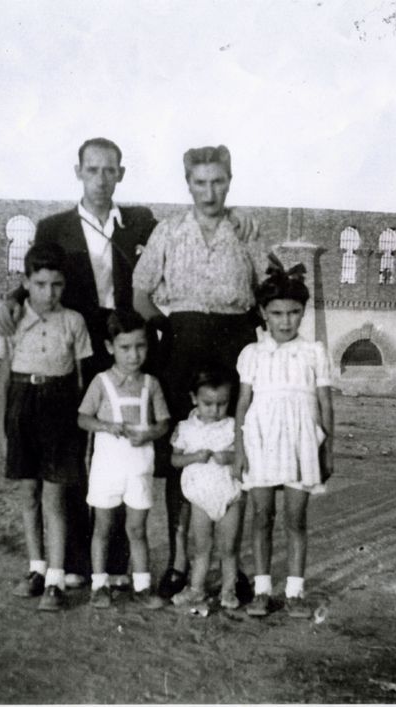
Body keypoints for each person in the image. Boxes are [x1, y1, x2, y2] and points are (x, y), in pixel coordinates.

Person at [0, 137, 158, 589]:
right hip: (75, 341)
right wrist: (10, 301)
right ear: (78, 172)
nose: (101, 179)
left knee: (119, 449)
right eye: (92, 170)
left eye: (110, 170)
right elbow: (35, 274)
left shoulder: (141, 222)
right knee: (69, 455)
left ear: (121, 174)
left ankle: (116, 565)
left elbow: (165, 257)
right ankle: (68, 564)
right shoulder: (53, 227)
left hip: (123, 341)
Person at [132, 144, 262, 601]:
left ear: (230, 179)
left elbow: (267, 290)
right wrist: (170, 329)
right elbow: (141, 293)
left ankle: (233, 565)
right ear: (187, 183)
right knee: (182, 453)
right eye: (200, 182)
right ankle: (179, 563)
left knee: (233, 445)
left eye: (218, 181)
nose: (210, 191)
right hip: (184, 343)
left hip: (234, 341)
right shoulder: (168, 231)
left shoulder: (247, 231)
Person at [0, 242, 93, 612]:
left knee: (55, 497)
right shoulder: (13, 320)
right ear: (26, 282)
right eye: (40, 284)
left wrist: (84, 433)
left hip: (61, 409)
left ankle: (56, 578)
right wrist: (2, 431)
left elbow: (83, 382)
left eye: (57, 285)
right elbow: (3, 378)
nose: (49, 293)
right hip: (22, 405)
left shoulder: (74, 322)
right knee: (28, 494)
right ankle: (35, 569)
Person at [232, 257, 335, 619]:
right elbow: (243, 404)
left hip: (301, 442)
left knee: (296, 519)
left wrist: (328, 450)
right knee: (261, 516)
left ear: (303, 312)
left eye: (293, 312)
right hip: (261, 439)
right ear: (263, 312)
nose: (285, 321)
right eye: (277, 313)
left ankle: (294, 592)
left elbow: (325, 402)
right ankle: (262, 590)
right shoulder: (251, 354)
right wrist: (239, 450)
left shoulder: (314, 351)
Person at [77, 310, 170, 609]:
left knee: (137, 529)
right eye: (125, 348)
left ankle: (142, 586)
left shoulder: (151, 384)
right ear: (109, 347)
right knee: (102, 527)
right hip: (108, 465)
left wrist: (150, 433)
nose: (133, 355)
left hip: (139, 465)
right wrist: (105, 426)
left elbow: (164, 423)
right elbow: (82, 418)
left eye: (140, 346)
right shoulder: (102, 382)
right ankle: (99, 585)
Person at [169, 364, 244, 613]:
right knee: (202, 547)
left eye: (222, 404)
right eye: (208, 404)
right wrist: (193, 458)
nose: (215, 410)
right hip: (200, 498)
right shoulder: (186, 428)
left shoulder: (234, 426)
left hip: (230, 494)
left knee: (229, 547)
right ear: (194, 399)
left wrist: (231, 457)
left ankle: (228, 590)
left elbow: (248, 456)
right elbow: (174, 460)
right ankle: (196, 588)